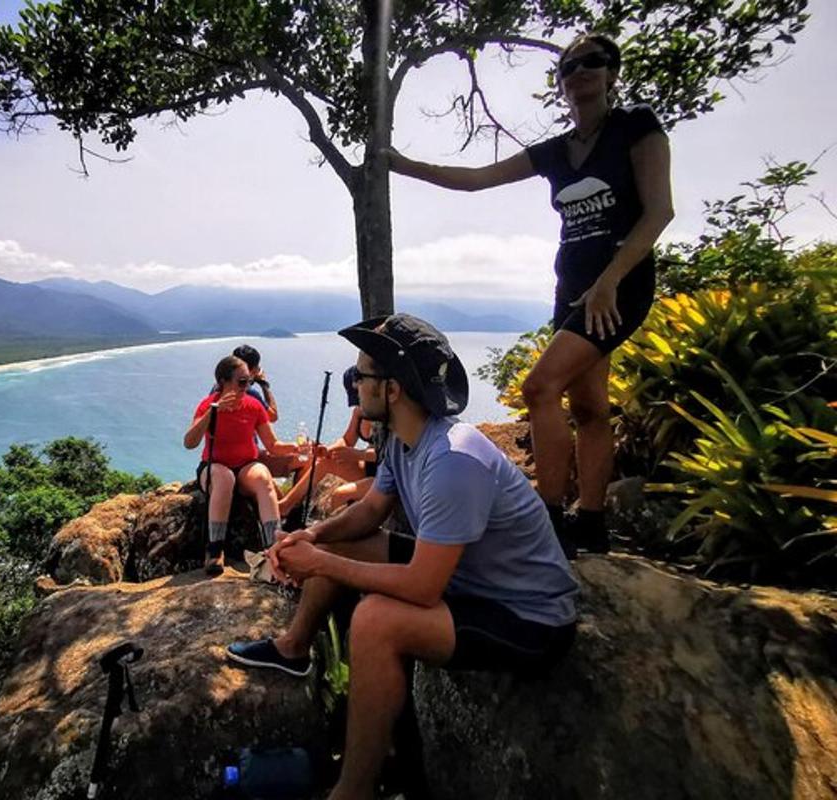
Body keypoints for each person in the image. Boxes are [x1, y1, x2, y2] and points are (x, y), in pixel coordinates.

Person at [226, 314, 579, 800]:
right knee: (332, 541)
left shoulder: (452, 460)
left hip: (524, 614)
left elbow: (422, 588)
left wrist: (321, 565)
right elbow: (370, 511)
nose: (356, 384)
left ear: (391, 389)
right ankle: (295, 649)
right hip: (468, 577)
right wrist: (311, 535)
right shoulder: (406, 441)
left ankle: (353, 790)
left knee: (375, 621)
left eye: (363, 375)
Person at [388, 33, 675, 555]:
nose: (580, 72)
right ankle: (590, 522)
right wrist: (402, 164)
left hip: (618, 285)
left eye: (594, 62)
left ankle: (545, 515)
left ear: (612, 73)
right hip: (571, 290)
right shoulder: (557, 152)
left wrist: (610, 280)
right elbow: (476, 179)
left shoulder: (636, 127)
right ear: (560, 83)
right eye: (569, 66)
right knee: (588, 406)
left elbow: (659, 212)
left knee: (540, 388)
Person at [185, 355, 300, 575]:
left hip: (246, 465)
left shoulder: (253, 405)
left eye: (249, 381)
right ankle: (215, 550)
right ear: (223, 382)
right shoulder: (207, 405)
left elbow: (272, 445)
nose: (247, 387)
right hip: (214, 467)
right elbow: (189, 442)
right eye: (241, 382)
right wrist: (212, 412)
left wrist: (297, 447)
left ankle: (274, 547)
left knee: (263, 477)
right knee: (225, 478)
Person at [277, 366, 378, 519]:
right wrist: (328, 450)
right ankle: (286, 505)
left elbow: (388, 455)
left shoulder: (384, 416)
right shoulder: (359, 412)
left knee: (340, 494)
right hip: (367, 469)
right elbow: (347, 440)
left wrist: (357, 455)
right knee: (324, 462)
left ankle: (337, 536)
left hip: (386, 477)